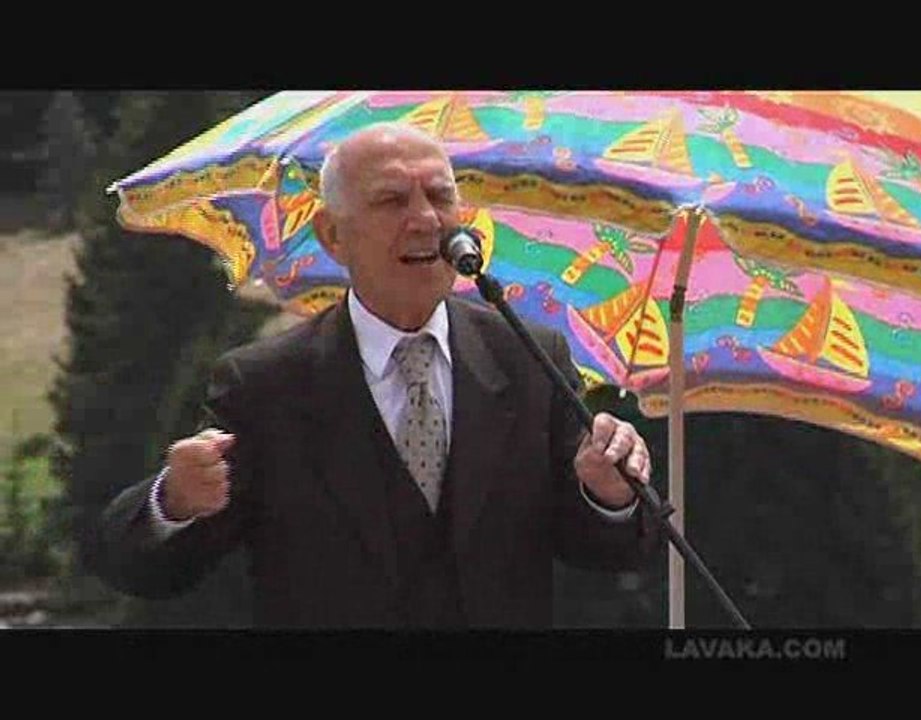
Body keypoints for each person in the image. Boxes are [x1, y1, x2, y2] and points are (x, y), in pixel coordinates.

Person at [90, 122, 658, 628]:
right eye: (392, 201)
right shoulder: (265, 385)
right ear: (334, 236)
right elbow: (141, 569)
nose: (426, 220)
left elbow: (608, 550)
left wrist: (607, 493)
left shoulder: (530, 357)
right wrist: (177, 502)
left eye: (440, 197)